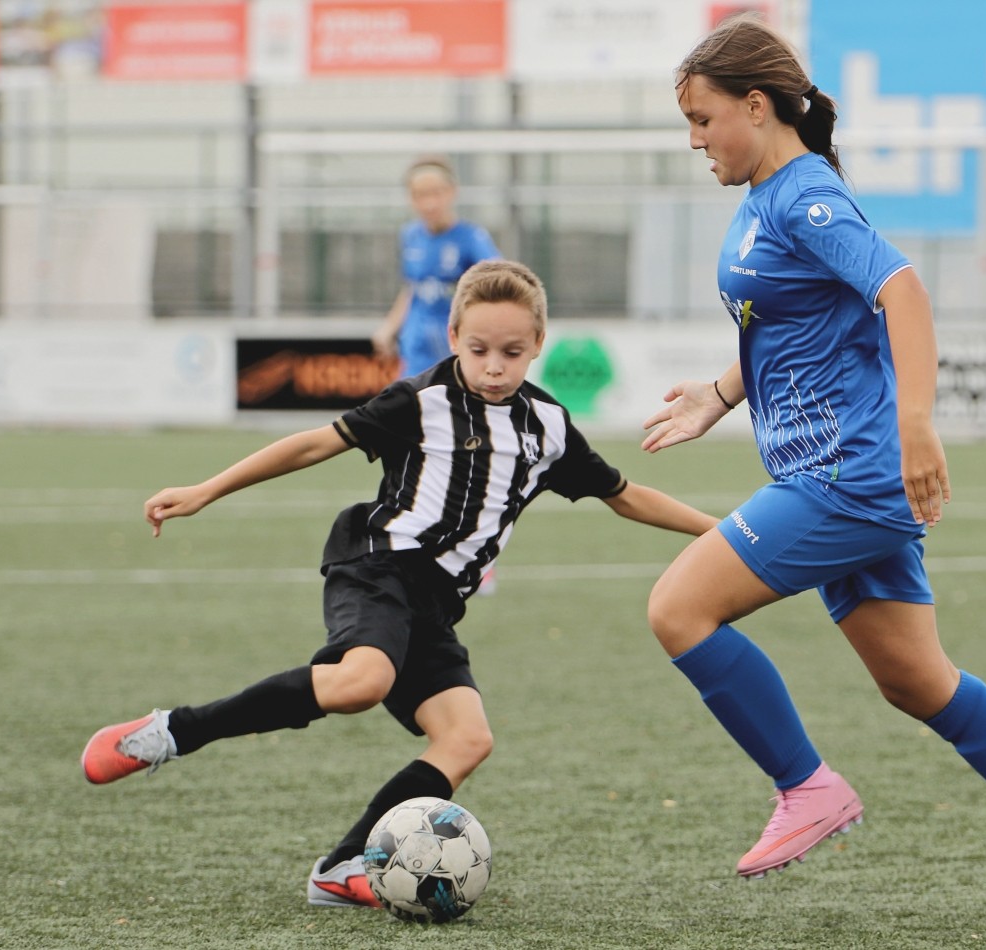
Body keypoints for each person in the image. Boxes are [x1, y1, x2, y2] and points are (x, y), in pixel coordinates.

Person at [640, 16, 986, 922]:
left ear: (757, 105)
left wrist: (915, 426)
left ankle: (806, 787)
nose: (695, 140)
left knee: (677, 608)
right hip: (834, 471)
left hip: (844, 476)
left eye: (703, 119)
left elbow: (900, 290)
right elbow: (786, 324)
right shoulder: (762, 199)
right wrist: (718, 392)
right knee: (916, 681)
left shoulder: (805, 198)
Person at [82, 259, 719, 910]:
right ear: (453, 337)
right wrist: (206, 489)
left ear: (537, 345)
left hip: (436, 603)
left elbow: (624, 495)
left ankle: (340, 867)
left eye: (511, 352)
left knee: (467, 739)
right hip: (378, 563)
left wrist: (722, 532)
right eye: (478, 350)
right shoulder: (418, 401)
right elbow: (312, 445)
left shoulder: (547, 428)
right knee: (362, 681)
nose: (493, 367)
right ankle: (174, 731)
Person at [371, 157, 501, 379]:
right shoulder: (410, 235)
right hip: (416, 346)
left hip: (453, 347)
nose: (429, 203)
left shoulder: (472, 238)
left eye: (436, 193)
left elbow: (498, 283)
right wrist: (390, 327)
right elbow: (412, 288)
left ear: (452, 192)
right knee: (410, 396)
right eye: (420, 195)